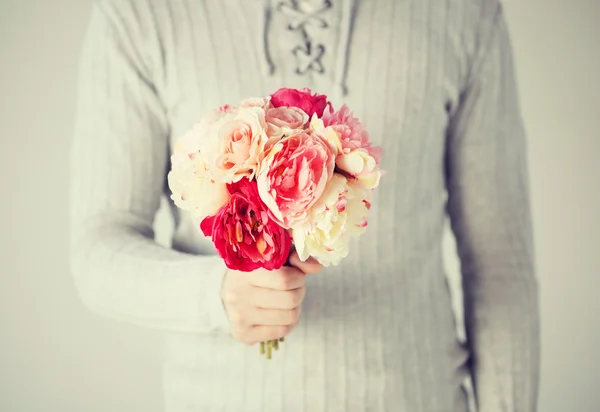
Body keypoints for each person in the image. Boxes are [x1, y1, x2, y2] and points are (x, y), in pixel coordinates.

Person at [69, 0, 540, 411]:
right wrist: (216, 294)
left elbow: (501, 264)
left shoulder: (465, 12)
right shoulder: (139, 14)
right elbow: (99, 246)